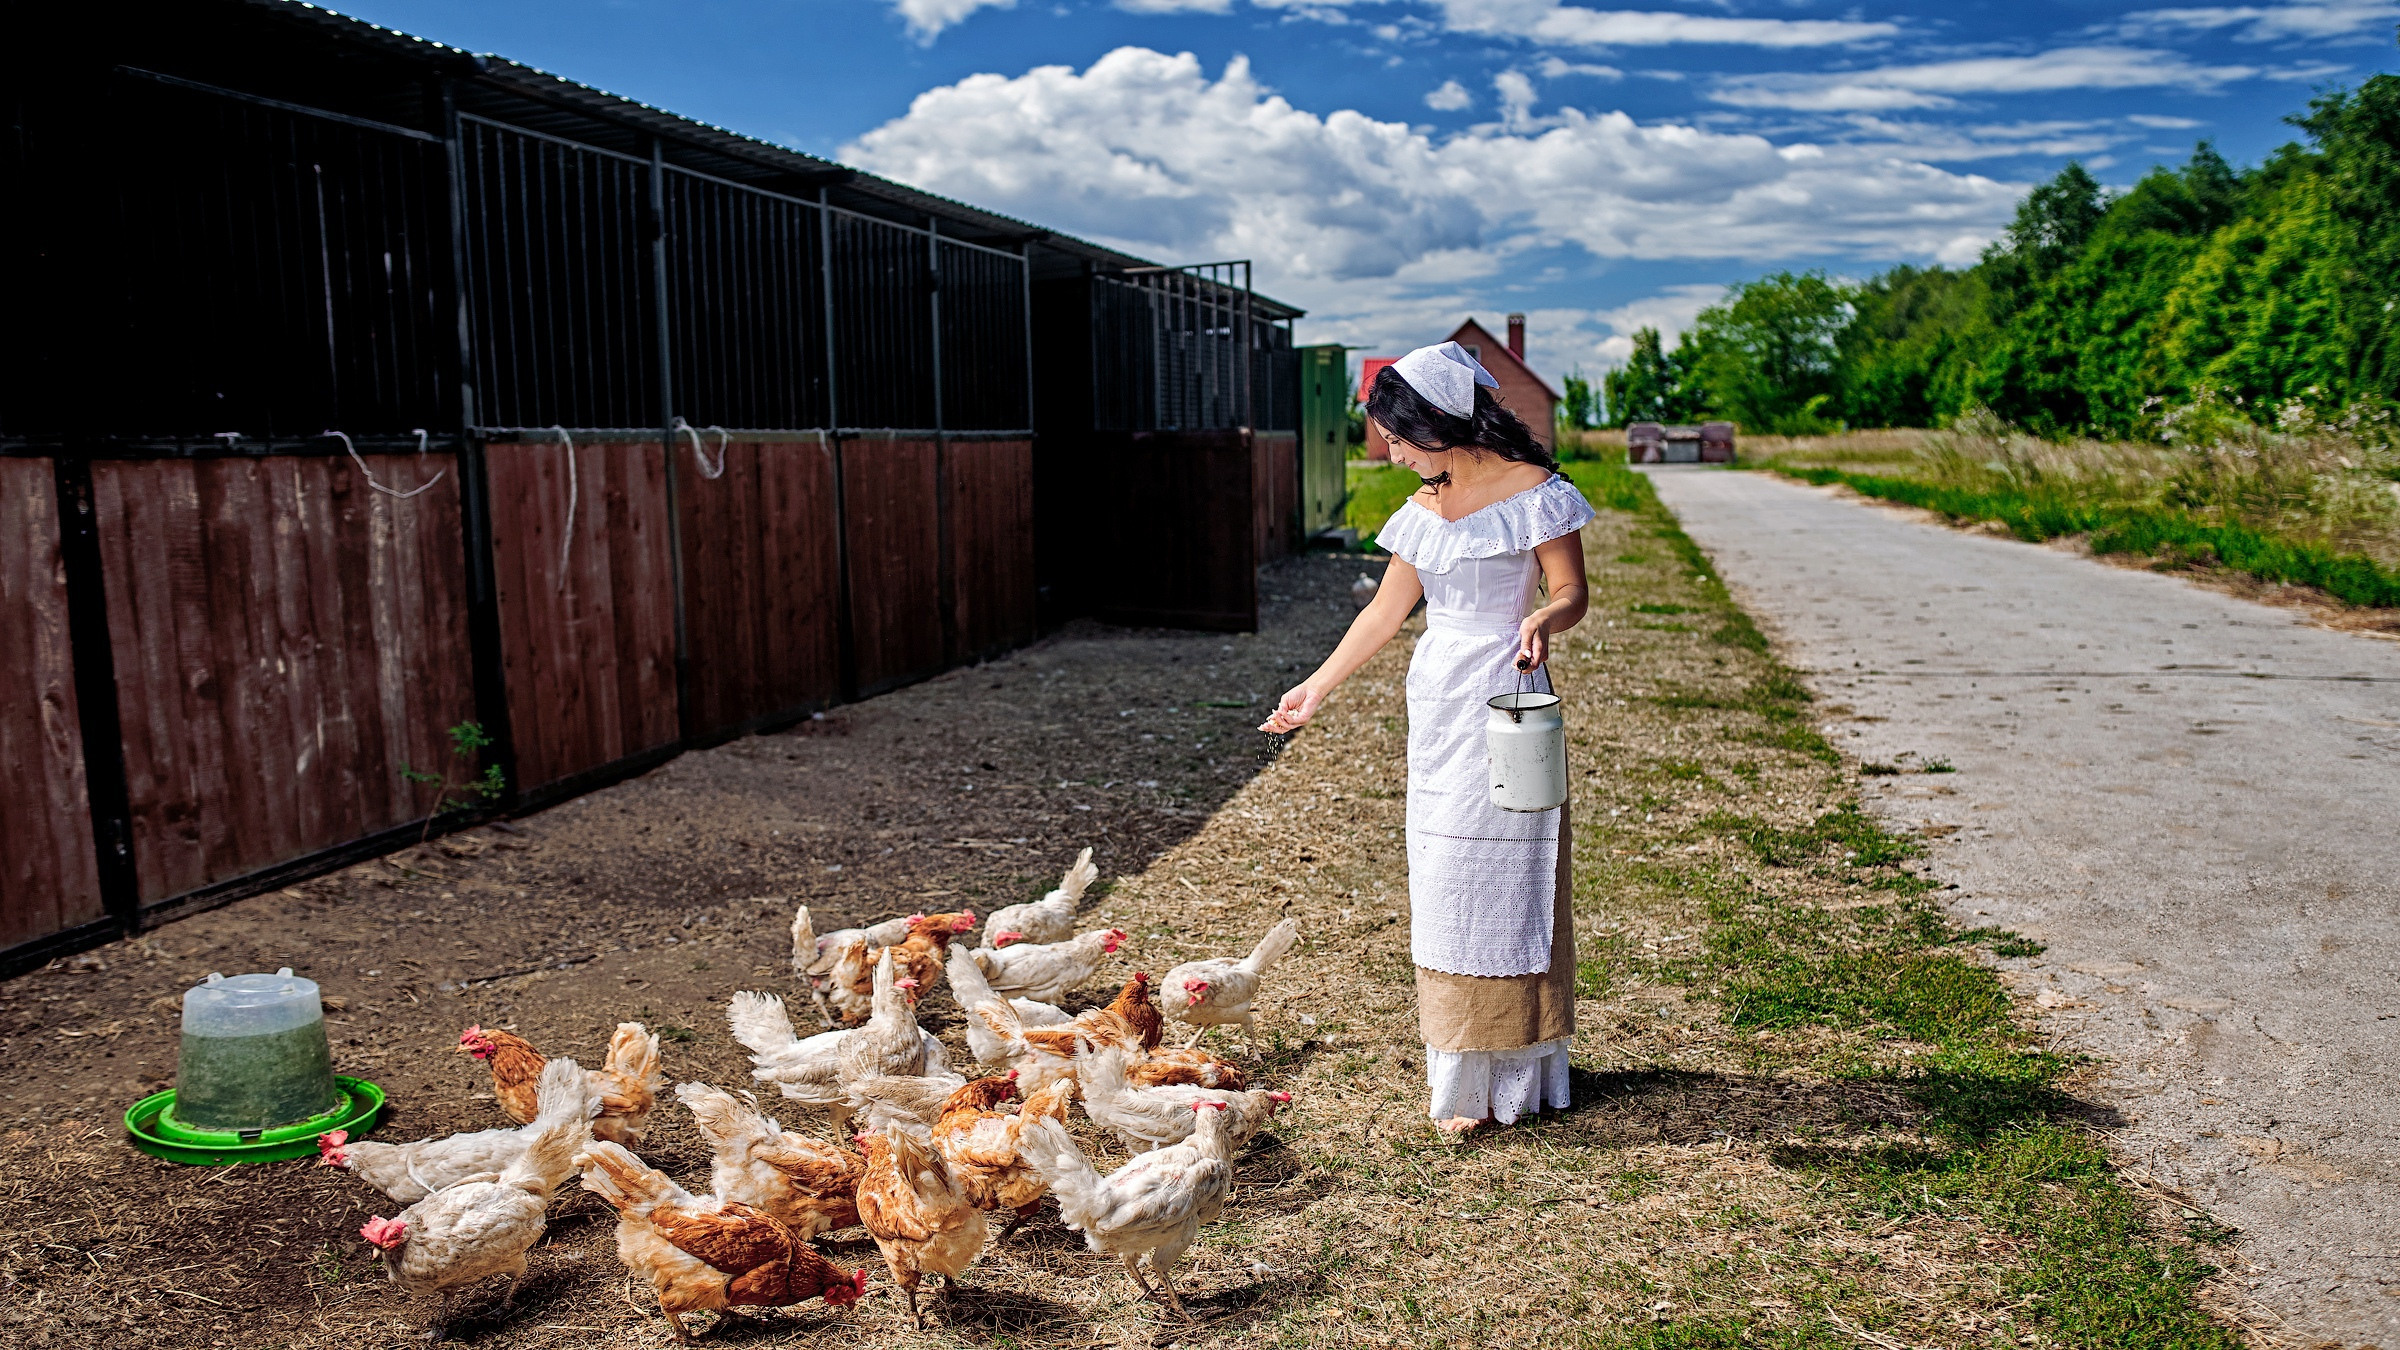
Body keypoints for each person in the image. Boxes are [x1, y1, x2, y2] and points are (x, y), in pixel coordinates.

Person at [1260, 341, 1593, 1134]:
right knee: (1445, 874)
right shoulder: (1421, 508)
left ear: (1438, 422)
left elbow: (1573, 591)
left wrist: (1545, 617)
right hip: (1438, 700)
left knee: (1512, 871)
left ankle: (1518, 1068)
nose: (1393, 453)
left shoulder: (1537, 492)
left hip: (1507, 691)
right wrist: (1315, 688)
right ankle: (1461, 1066)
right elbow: (1384, 612)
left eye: (1398, 438)